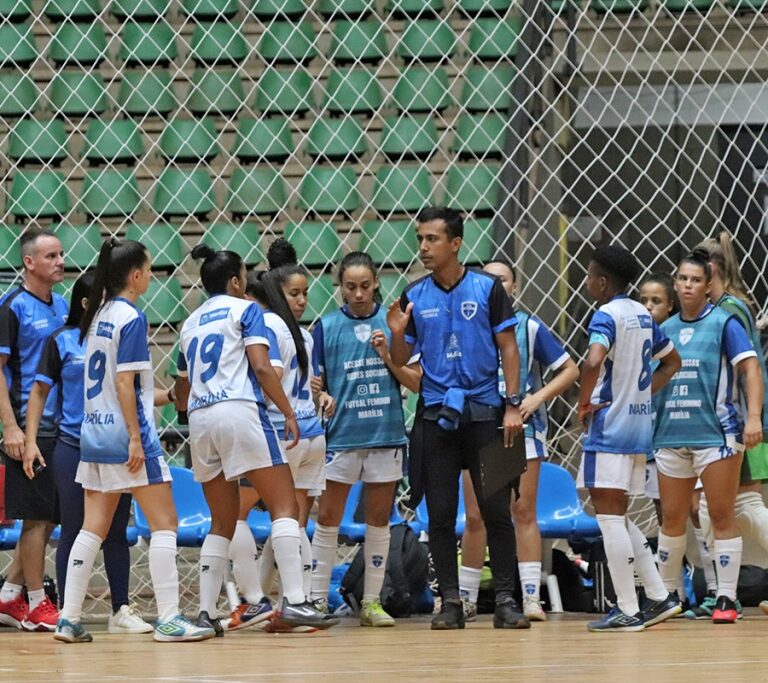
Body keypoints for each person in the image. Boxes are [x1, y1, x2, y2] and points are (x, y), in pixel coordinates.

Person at [53, 237, 215, 644]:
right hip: (127, 436)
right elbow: (125, 384)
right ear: (137, 275)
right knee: (165, 524)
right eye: (149, 268)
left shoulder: (97, 314)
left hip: (93, 431)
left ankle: (68, 618)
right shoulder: (131, 317)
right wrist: (136, 438)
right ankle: (171, 618)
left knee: (92, 528)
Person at [175, 244, 337, 635]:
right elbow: (263, 368)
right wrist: (285, 411)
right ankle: (296, 602)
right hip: (240, 411)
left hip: (199, 418)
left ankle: (206, 612)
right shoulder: (246, 310)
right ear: (235, 281)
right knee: (284, 505)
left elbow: (181, 392)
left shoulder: (189, 323)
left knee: (222, 520)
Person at [387, 206, 528, 630]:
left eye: (432, 239)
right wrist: (396, 333)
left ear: (455, 243)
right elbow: (400, 360)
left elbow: (508, 347)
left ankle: (505, 599)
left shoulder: (488, 289)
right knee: (442, 515)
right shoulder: (413, 294)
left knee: (496, 511)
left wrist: (513, 404)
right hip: (436, 416)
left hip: (488, 412)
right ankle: (450, 601)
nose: (424, 248)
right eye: (420, 240)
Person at [22, 271, 152, 635]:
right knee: (75, 530)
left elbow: (132, 394)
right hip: (72, 445)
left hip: (113, 446)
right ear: (86, 303)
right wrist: (31, 440)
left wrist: (170, 398)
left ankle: (120, 609)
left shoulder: (118, 337)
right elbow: (38, 394)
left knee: (116, 531)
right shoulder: (61, 340)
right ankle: (69, 610)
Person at [458, 260, 578, 622]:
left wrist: (537, 398)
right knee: (476, 516)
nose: (496, 285)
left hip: (520, 430)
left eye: (502, 279)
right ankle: (465, 598)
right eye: (488, 280)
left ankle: (529, 597)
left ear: (515, 287)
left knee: (522, 512)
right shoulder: (465, 326)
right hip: (477, 430)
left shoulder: (528, 327)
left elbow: (570, 369)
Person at [310, 251, 421, 627]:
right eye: (350, 287)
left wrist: (388, 352)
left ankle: (372, 602)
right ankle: (315, 600)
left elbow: (415, 379)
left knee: (378, 520)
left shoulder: (394, 324)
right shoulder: (324, 328)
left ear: (376, 283)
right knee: (327, 519)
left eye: (364, 286)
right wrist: (319, 395)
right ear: (339, 287)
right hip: (341, 436)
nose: (358, 293)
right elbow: (316, 384)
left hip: (385, 434)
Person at [655, 246, 764, 623]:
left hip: (716, 436)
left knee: (720, 515)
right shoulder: (663, 329)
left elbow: (751, 369)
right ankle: (667, 596)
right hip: (670, 434)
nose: (687, 285)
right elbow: (650, 383)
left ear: (708, 284)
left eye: (695, 280)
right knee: (672, 518)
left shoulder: (723, 322)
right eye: (682, 279)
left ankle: (726, 597)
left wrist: (753, 418)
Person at [577, 243, 682, 633]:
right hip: (639, 429)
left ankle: (627, 609)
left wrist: (585, 402)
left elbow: (592, 360)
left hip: (609, 429)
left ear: (602, 282)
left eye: (589, 275)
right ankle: (658, 596)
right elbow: (673, 362)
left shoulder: (606, 313)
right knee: (617, 516)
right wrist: (640, 394)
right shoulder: (641, 313)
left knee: (607, 517)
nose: (587, 281)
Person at [0, 228, 68, 632]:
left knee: (49, 518)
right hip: (29, 426)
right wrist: (12, 428)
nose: (60, 261)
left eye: (60, 254)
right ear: (29, 262)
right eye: (51, 256)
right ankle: (37, 604)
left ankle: (9, 595)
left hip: (61, 425)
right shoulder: (11, 306)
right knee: (36, 519)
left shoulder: (61, 306)